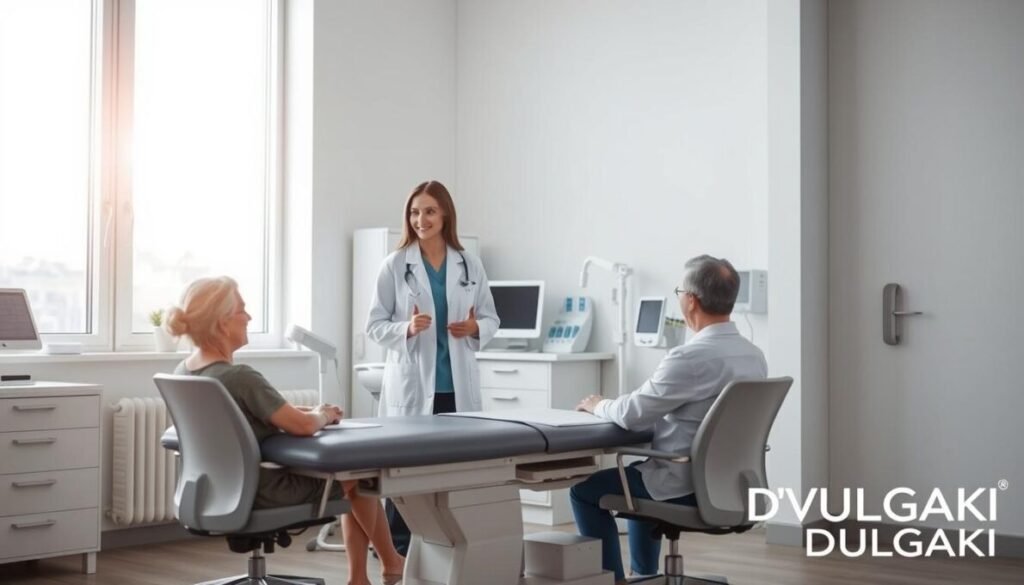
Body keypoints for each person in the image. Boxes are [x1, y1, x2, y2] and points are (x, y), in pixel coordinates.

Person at [166, 276, 404, 585]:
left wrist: (309, 413)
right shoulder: (239, 377)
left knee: (352, 474)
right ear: (223, 323)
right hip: (259, 491)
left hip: (209, 491)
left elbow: (241, 416)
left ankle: (368, 575)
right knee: (358, 476)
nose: (249, 317)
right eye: (242, 310)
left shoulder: (185, 372)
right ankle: (383, 566)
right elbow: (304, 427)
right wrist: (320, 415)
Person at [571, 255, 768, 585]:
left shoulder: (688, 357)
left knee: (584, 491)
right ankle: (646, 575)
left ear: (690, 299)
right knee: (640, 475)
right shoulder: (754, 355)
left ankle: (616, 582)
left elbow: (631, 415)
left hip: (682, 485)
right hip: (731, 487)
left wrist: (598, 404)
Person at [366, 180, 499, 553]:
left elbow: (491, 317)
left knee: (453, 468)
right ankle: (397, 547)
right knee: (403, 469)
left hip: (456, 386)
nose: (420, 219)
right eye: (414, 212)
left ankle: (448, 540)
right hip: (412, 385)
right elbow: (373, 325)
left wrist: (475, 327)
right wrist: (405, 328)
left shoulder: (469, 263)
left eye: (429, 211)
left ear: (445, 215)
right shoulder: (394, 265)